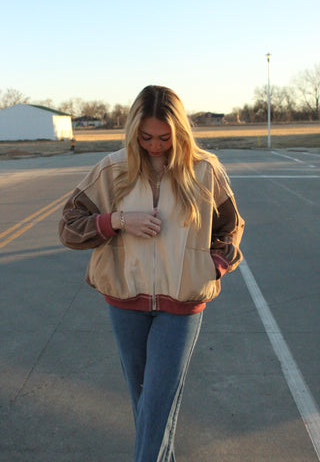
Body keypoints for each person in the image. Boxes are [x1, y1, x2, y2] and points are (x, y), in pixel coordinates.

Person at [59, 85, 245, 462]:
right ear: (133, 131)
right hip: (124, 302)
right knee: (146, 406)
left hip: (183, 304)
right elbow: (69, 226)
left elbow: (231, 225)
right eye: (146, 137)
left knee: (157, 406)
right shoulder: (113, 169)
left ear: (180, 132)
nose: (155, 145)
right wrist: (118, 220)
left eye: (164, 137)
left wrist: (214, 265)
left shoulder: (204, 170)